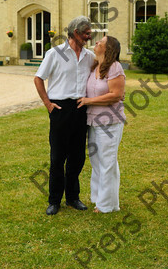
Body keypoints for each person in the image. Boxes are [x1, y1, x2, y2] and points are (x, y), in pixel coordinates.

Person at [34, 16, 95, 215]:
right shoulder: (55, 54)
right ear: (75, 33)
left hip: (81, 109)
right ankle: (54, 201)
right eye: (86, 32)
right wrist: (48, 104)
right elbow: (38, 78)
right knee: (57, 157)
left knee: (77, 158)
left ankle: (73, 198)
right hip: (59, 109)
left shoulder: (89, 57)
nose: (89, 36)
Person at [77, 36, 126, 213]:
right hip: (93, 122)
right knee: (97, 162)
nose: (96, 42)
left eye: (101, 42)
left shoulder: (115, 67)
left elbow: (116, 95)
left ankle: (107, 205)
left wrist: (89, 101)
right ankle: (98, 198)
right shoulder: (95, 66)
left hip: (110, 123)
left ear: (108, 48)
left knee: (107, 162)